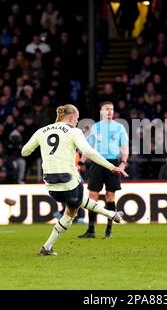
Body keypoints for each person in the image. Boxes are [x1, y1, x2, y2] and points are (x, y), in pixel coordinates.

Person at [21, 104, 128, 256]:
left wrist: (44, 149)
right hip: (69, 180)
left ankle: (47, 247)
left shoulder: (41, 131)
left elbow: (25, 152)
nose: (77, 122)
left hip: (51, 185)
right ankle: (111, 215)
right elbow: (88, 151)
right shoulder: (74, 131)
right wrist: (111, 167)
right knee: (76, 203)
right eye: (77, 119)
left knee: (72, 210)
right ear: (71, 118)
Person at [78, 101, 129, 239]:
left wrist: (123, 162)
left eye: (111, 109)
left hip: (112, 163)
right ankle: (91, 230)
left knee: (110, 196)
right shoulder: (96, 128)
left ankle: (109, 230)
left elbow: (124, 147)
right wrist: (80, 162)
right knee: (92, 196)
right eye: (106, 109)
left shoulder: (119, 128)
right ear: (101, 112)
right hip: (97, 163)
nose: (109, 111)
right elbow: (88, 148)